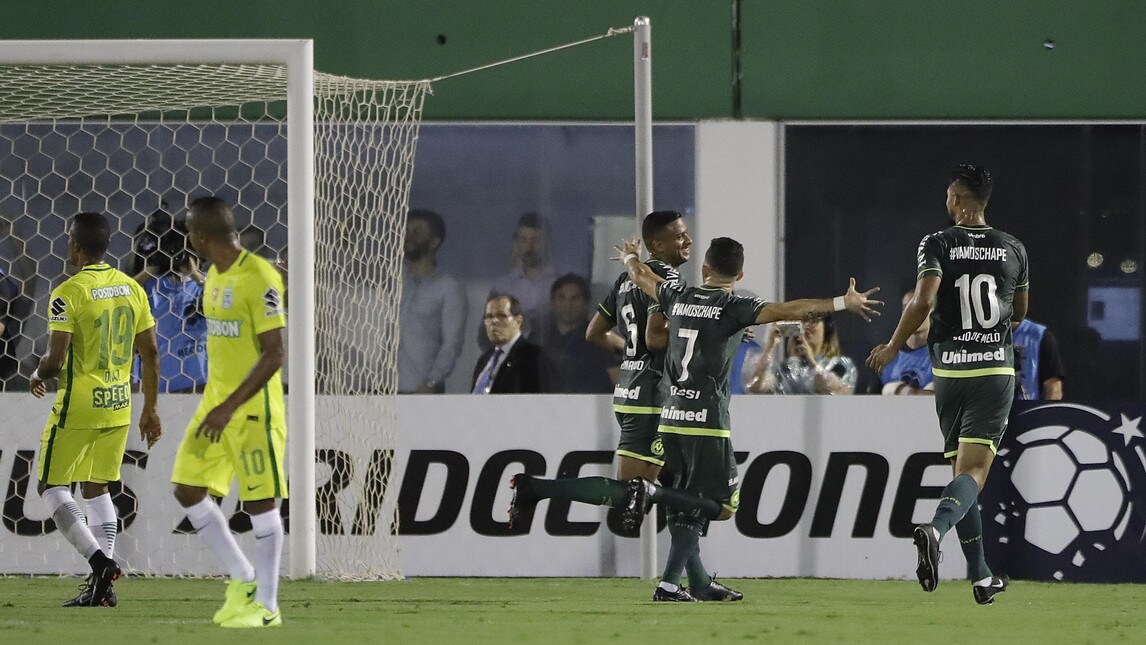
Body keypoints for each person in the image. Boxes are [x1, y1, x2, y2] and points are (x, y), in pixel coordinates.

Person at [621, 235, 881, 601]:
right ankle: (650, 497)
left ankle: (684, 583)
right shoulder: (734, 307)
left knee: (686, 503)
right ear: (740, 274)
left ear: (705, 268)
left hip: (671, 416)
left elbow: (643, 278)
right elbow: (793, 309)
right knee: (725, 506)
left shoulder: (678, 295)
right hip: (707, 421)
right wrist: (842, 302)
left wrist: (631, 256)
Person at [511, 211, 750, 600]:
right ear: (656, 245)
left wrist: (630, 355)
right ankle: (535, 488)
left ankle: (698, 581)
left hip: (631, 392)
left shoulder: (626, 279)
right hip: (656, 399)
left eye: (687, 235)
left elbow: (594, 332)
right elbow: (658, 338)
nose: (687, 242)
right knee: (643, 493)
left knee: (677, 492)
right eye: (680, 237)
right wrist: (703, 329)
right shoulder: (667, 281)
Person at [867, 164, 1027, 605]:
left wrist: (894, 345)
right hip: (993, 370)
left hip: (950, 372)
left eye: (948, 196)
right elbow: (1019, 312)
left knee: (962, 472)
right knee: (974, 475)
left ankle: (981, 576)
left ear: (957, 199)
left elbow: (923, 301)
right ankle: (935, 529)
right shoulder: (1013, 247)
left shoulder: (937, 242)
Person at [30, 211, 161, 607]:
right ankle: (103, 588)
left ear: (74, 245)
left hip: (78, 404)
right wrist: (150, 409)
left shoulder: (68, 292)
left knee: (50, 486)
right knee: (97, 487)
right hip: (119, 404)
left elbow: (55, 361)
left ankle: (100, 563)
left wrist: (37, 373)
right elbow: (151, 352)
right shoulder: (131, 288)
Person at [170, 196, 288, 628]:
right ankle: (243, 577)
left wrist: (229, 406)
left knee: (260, 503)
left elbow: (275, 354)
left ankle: (269, 607)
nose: (187, 239)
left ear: (200, 236)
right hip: (215, 405)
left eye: (188, 232)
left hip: (253, 411)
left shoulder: (259, 275)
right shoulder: (215, 274)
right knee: (186, 486)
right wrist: (216, 403)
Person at [132, 217, 208, 393]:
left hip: (202, 385)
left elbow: (224, 301)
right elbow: (117, 297)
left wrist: (195, 274)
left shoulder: (207, 285)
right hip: (159, 388)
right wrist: (150, 268)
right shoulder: (148, 289)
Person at [399, 209, 466, 393]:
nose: (409, 237)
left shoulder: (448, 288)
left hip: (422, 390)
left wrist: (431, 382)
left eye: (417, 232)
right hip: (384, 390)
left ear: (434, 242)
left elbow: (452, 342)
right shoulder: (393, 280)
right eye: (406, 231)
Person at [533, 273, 615, 393]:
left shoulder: (600, 337)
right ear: (552, 303)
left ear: (586, 304)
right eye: (561, 297)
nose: (568, 305)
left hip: (590, 406)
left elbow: (619, 379)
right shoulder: (539, 337)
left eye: (574, 298)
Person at [483, 213, 557, 344]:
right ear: (516, 243)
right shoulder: (502, 287)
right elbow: (484, 334)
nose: (529, 247)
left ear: (547, 243)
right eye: (523, 240)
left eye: (536, 240)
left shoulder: (559, 286)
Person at [745, 314, 857, 394]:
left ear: (826, 330)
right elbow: (755, 388)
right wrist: (770, 347)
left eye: (812, 321)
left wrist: (811, 361)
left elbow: (837, 393)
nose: (805, 327)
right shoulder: (782, 371)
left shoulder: (838, 366)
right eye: (800, 322)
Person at [471, 294, 551, 394]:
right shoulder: (484, 360)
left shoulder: (534, 356)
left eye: (501, 316)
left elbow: (543, 400)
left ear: (518, 321)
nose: (493, 321)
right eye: (489, 316)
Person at [878, 290, 935, 396]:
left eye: (920, 308)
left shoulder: (944, 357)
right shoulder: (888, 358)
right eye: (907, 308)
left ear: (932, 311)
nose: (913, 314)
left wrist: (906, 392)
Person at [1013, 318, 1065, 400]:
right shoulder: (986, 336)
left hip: (1027, 410)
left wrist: (1047, 412)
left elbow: (1053, 389)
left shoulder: (1040, 336)